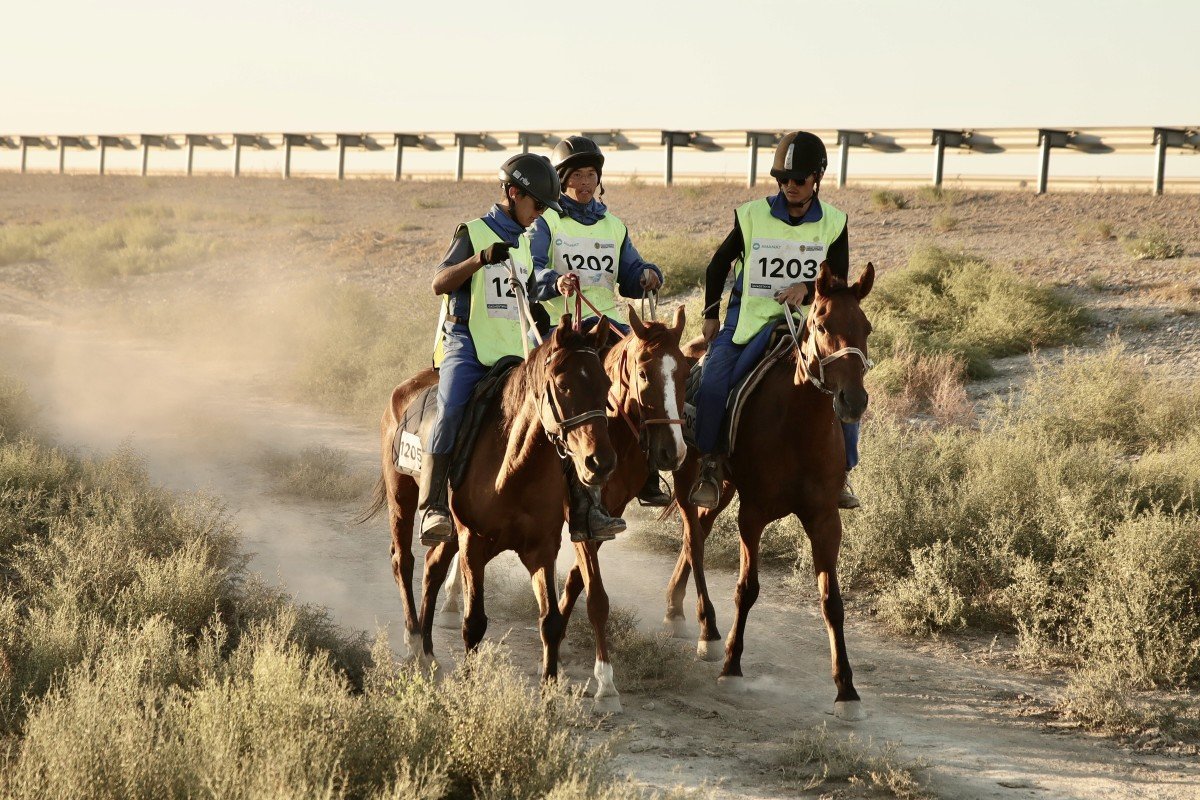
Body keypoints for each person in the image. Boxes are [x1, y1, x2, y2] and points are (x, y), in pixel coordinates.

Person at [689, 131, 862, 511]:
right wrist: (710, 314)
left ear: (816, 178)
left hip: (809, 325)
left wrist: (806, 287)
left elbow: (839, 281)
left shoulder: (834, 222)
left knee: (847, 381)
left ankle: (843, 471)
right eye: (783, 179)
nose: (790, 186)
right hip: (747, 322)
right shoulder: (751, 215)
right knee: (715, 381)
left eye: (798, 179)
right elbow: (717, 265)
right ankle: (711, 464)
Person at [529, 135, 671, 507]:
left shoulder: (613, 226)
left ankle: (648, 473)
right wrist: (554, 281)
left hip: (609, 325)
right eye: (576, 175)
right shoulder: (546, 223)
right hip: (562, 328)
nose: (585, 182)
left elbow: (630, 271)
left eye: (591, 174)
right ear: (562, 180)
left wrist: (647, 275)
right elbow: (532, 272)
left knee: (650, 372)